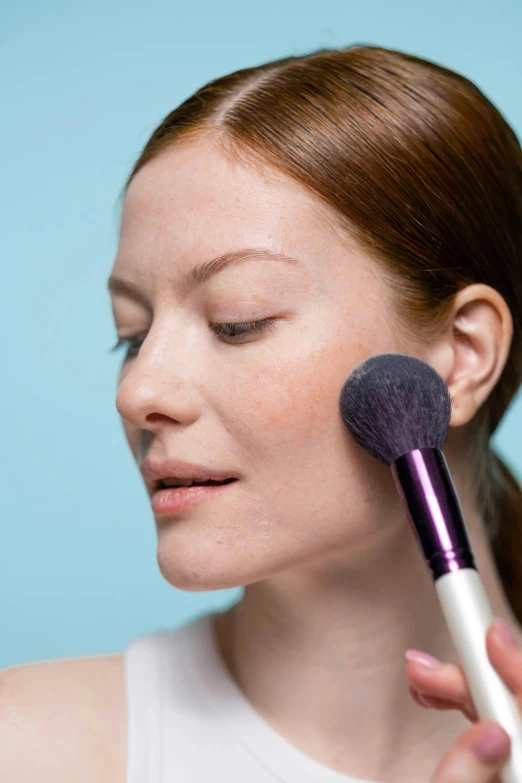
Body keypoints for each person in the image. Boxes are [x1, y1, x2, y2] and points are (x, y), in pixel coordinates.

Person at [2, 43, 522, 783]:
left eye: (236, 321)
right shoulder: (30, 751)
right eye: (132, 335)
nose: (137, 391)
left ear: (463, 354)